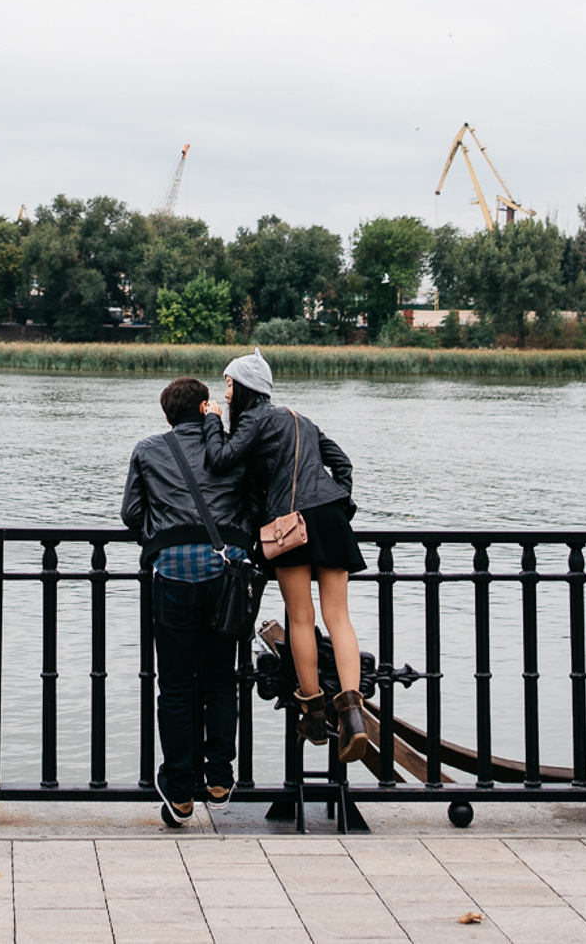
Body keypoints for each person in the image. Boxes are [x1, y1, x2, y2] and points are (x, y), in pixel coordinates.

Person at [200, 349, 369, 763]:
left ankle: (312, 711)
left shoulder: (255, 419)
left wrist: (212, 421)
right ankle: (353, 715)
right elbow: (341, 462)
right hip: (330, 518)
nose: (226, 390)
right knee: (339, 618)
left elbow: (220, 460)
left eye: (228, 383)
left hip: (289, 525)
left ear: (245, 387)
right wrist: (337, 502)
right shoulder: (301, 419)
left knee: (301, 618)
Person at [120, 375, 256, 828]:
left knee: (175, 686)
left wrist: (165, 541)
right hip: (225, 576)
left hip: (173, 577)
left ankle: (179, 792)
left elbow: (132, 514)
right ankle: (219, 778)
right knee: (220, 679)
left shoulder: (147, 449)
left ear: (166, 416)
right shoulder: (231, 449)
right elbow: (254, 505)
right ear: (205, 409)